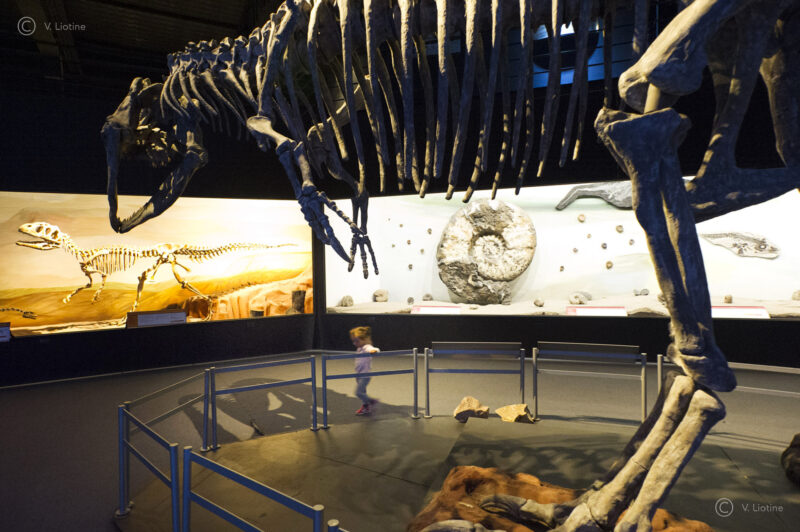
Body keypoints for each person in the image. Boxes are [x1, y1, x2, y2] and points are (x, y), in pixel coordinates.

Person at [350, 326, 379, 415]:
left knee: (358, 393)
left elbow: (374, 349)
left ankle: (371, 401)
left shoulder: (366, 346)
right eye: (353, 341)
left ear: (364, 339)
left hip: (365, 375)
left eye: (357, 341)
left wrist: (373, 351)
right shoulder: (359, 348)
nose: (355, 343)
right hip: (359, 375)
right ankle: (365, 407)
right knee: (363, 392)